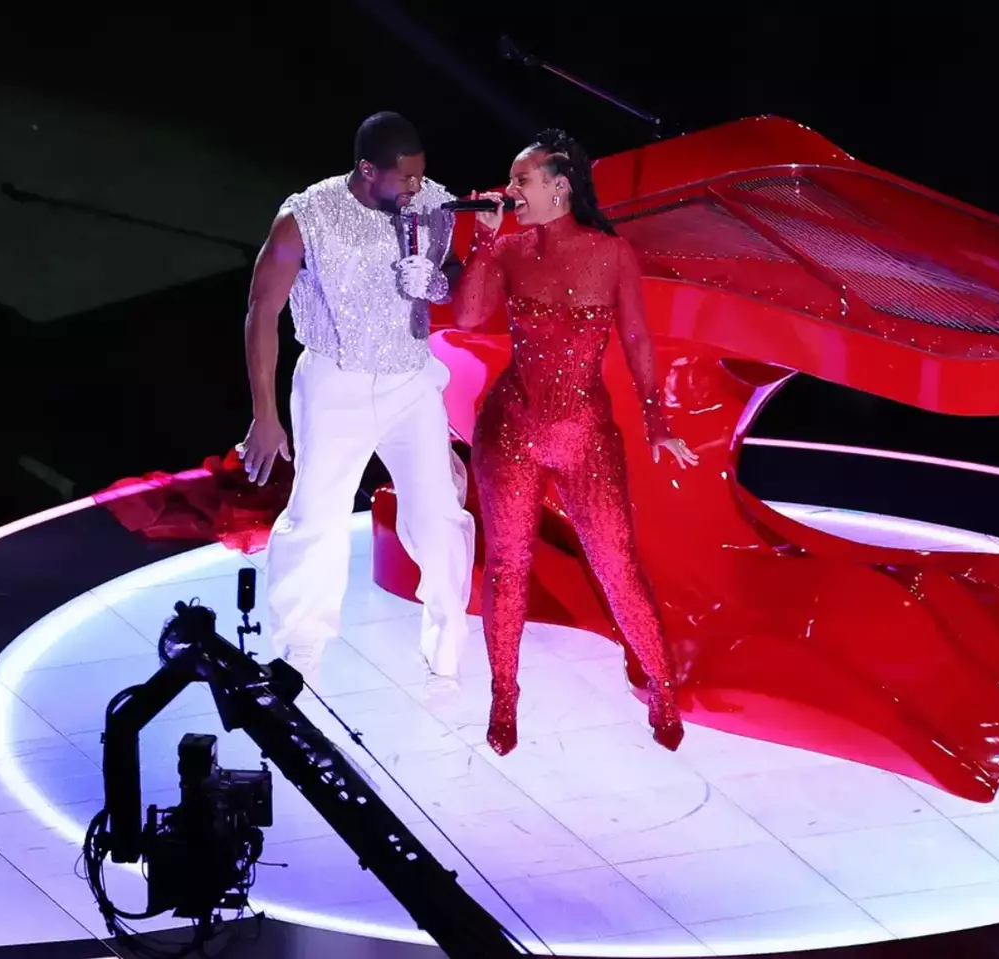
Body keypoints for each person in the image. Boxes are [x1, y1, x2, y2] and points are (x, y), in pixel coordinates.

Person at [454, 128, 699, 756]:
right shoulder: (507, 248)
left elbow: (640, 339)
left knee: (617, 565)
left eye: (521, 181)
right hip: (511, 426)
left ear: (560, 187)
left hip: (585, 431)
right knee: (508, 567)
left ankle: (662, 690)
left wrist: (656, 420)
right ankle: (504, 695)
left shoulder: (611, 255)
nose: (511, 191)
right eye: (511, 182)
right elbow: (469, 318)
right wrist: (483, 239)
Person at [237, 111, 474, 686]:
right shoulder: (306, 217)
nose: (417, 189)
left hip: (411, 381)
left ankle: (449, 635)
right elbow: (261, 311)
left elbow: (458, 274)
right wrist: (264, 416)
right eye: (406, 179)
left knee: (438, 513)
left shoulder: (430, 204)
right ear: (368, 171)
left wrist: (438, 283)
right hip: (334, 383)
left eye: (421, 177)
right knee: (317, 517)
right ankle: (302, 649)